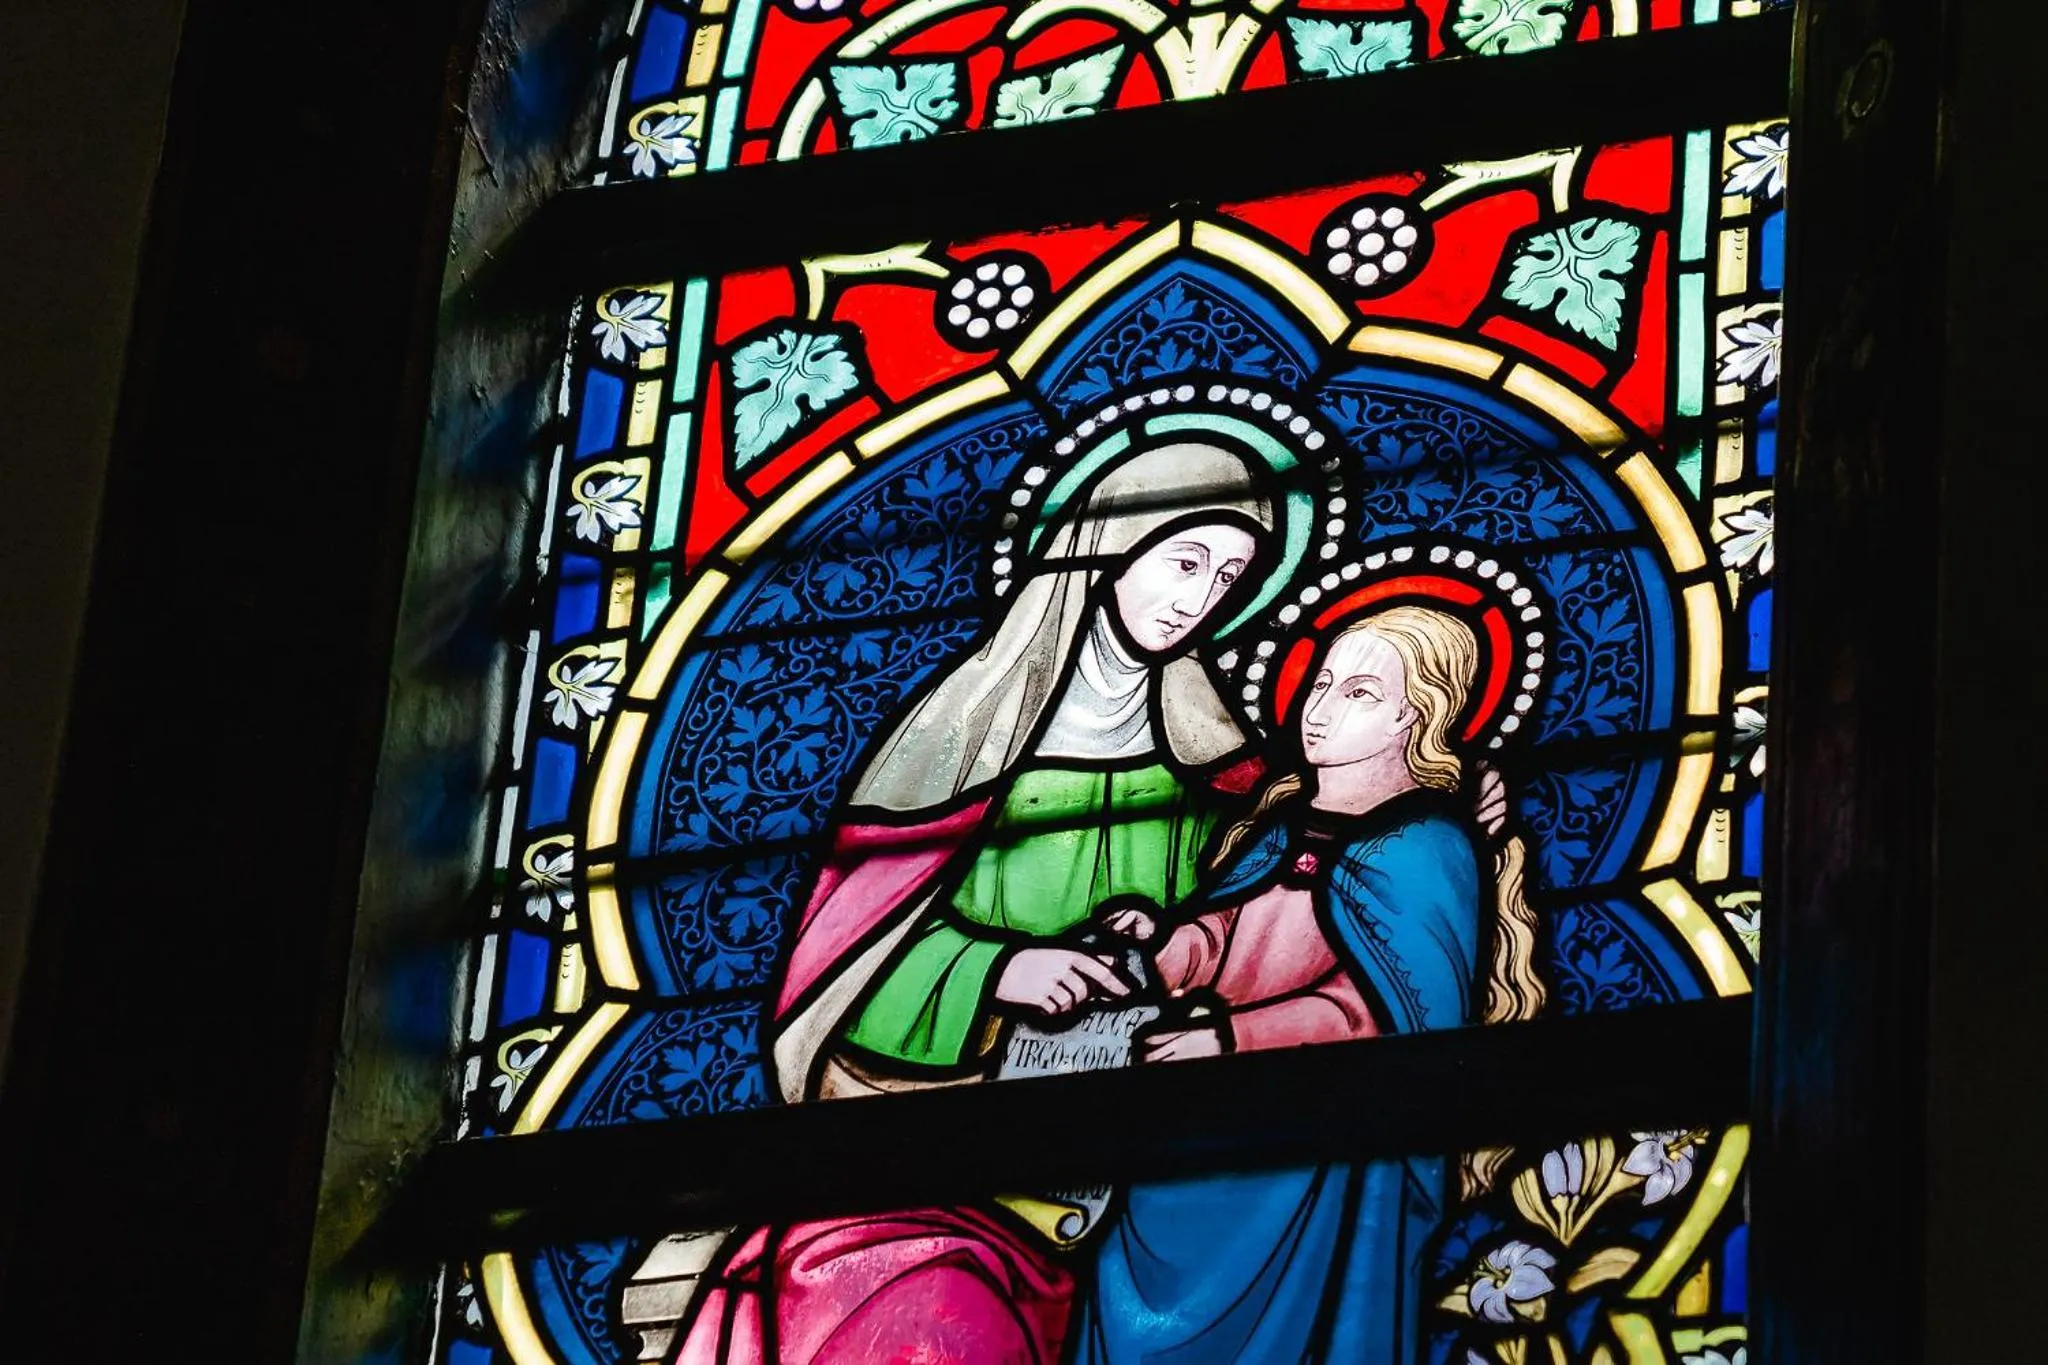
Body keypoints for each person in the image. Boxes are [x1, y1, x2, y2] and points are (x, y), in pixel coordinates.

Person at [675, 440, 1285, 1365]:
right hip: (929, 1150)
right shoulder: (956, 747)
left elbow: (1265, 925)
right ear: (1108, 549)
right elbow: (844, 965)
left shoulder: (1217, 770)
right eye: (1185, 561)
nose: (1199, 599)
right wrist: (996, 971)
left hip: (1136, 1150)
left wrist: (1166, 936)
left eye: (1230, 577)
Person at [1071, 603, 1544, 1365]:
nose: (1320, 710)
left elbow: (1386, 1018)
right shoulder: (1278, 830)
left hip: (1321, 1160)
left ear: (1415, 717)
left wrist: (1231, 1038)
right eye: (1321, 684)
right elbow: (1224, 937)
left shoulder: (1424, 848)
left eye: (1359, 693)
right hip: (1195, 1129)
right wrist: (1157, 947)